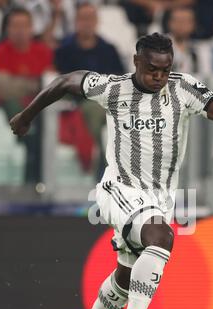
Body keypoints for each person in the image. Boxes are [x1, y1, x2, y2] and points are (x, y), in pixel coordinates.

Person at [10, 33, 213, 309]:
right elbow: (66, 81)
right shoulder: (113, 89)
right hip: (119, 189)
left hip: (160, 198)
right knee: (161, 235)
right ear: (137, 62)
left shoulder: (184, 89)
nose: (159, 76)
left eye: (166, 69)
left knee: (127, 279)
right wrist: (26, 115)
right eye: (153, 69)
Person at [55, 2, 125, 180]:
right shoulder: (64, 50)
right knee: (91, 110)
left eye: (90, 18)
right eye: (83, 18)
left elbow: (120, 80)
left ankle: (103, 164)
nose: (87, 23)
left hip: (104, 102)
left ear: (97, 21)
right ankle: (102, 166)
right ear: (76, 21)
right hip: (73, 103)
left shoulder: (108, 50)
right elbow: (59, 81)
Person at [0, 7, 53, 183]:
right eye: (15, 26)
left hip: (38, 110)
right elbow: (1, 88)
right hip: (13, 108)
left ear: (32, 28)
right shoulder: (0, 51)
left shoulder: (42, 51)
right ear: (7, 29)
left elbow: (49, 85)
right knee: (12, 101)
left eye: (24, 25)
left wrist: (17, 84)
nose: (20, 30)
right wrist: (33, 83)